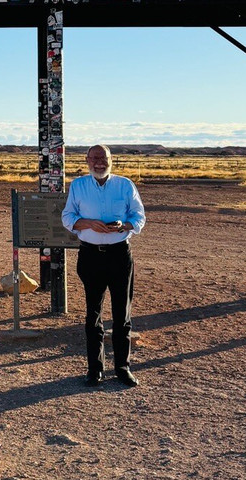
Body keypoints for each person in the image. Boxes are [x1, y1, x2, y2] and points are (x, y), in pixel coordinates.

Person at [61, 144, 145, 388]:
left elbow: (139, 216)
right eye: (95, 158)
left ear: (111, 160)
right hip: (90, 256)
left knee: (122, 314)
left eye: (104, 158)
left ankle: (122, 367)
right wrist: (86, 223)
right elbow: (67, 217)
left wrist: (124, 225)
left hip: (120, 255)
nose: (99, 162)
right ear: (87, 160)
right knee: (93, 315)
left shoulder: (125, 185)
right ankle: (94, 369)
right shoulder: (78, 186)